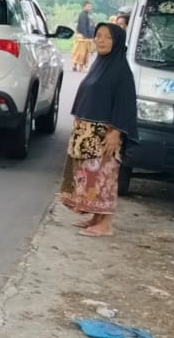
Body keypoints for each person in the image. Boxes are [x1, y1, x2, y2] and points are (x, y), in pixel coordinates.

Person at [58, 22, 137, 238]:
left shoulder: (121, 70)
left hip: (105, 136)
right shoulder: (99, 64)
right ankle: (96, 217)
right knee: (89, 177)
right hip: (87, 134)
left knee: (104, 177)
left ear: (118, 42)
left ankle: (106, 224)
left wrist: (117, 132)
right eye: (98, 35)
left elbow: (126, 103)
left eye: (107, 37)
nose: (100, 40)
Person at [71, 1, 96, 72]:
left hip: (84, 36)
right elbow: (83, 26)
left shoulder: (88, 15)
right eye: (88, 6)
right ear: (84, 7)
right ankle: (79, 67)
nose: (89, 8)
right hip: (82, 37)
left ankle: (75, 66)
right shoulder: (83, 15)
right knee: (81, 53)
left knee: (79, 52)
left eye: (90, 7)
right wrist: (86, 36)